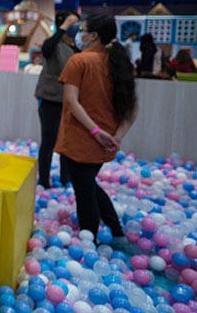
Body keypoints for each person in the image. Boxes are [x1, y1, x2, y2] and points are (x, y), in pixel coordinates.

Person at [55, 15, 138, 241]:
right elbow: (132, 109)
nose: (78, 34)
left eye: (82, 29)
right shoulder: (118, 63)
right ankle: (117, 230)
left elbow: (72, 101)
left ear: (93, 35)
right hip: (105, 142)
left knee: (84, 193)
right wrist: (116, 137)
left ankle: (89, 241)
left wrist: (94, 132)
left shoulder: (79, 61)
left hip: (82, 140)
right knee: (88, 184)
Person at [34, 10, 80, 189]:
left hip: (71, 102)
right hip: (50, 100)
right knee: (49, 141)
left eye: (77, 23)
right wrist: (62, 28)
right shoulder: (53, 45)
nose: (75, 26)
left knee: (67, 143)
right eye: (72, 22)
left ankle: (65, 179)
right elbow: (46, 49)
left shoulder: (76, 47)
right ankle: (44, 180)